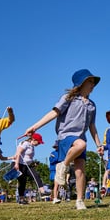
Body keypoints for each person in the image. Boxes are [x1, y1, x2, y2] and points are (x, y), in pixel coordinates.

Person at [23, 69, 103, 210]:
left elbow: (92, 126)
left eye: (93, 82)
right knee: (81, 144)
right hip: (66, 135)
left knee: (80, 170)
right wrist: (35, 126)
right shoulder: (68, 98)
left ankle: (79, 200)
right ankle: (63, 165)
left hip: (80, 137)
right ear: (81, 83)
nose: (92, 85)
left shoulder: (92, 105)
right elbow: (54, 113)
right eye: (89, 81)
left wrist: (99, 145)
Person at [12, 133, 47, 204]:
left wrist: (33, 163)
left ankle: (43, 192)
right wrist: (16, 164)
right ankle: (21, 200)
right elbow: (18, 153)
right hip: (19, 164)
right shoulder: (25, 143)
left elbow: (28, 157)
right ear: (34, 140)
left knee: (36, 175)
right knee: (22, 182)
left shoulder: (32, 146)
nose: (39, 144)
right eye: (39, 142)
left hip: (27, 165)